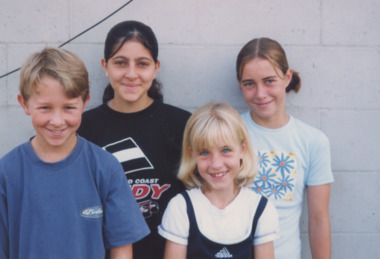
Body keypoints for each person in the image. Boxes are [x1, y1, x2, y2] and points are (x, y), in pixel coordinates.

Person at [0, 47, 150, 259]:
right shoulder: (7, 172)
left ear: (85, 102)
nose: (57, 121)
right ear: (24, 104)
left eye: (69, 107)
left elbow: (122, 247)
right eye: (45, 108)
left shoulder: (105, 167)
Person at [77, 20, 191, 259]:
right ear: (105, 66)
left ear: (156, 67)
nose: (131, 74)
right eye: (120, 63)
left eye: (142, 64)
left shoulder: (182, 125)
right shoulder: (82, 128)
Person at [236, 37, 334, 259]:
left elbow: (319, 219)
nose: (260, 94)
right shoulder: (229, 133)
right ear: (239, 83)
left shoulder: (313, 141)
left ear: (287, 77)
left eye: (269, 80)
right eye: (249, 83)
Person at [158, 102, 279, 259]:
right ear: (192, 154)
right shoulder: (181, 207)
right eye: (204, 152)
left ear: (242, 149)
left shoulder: (260, 209)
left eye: (226, 150)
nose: (216, 164)